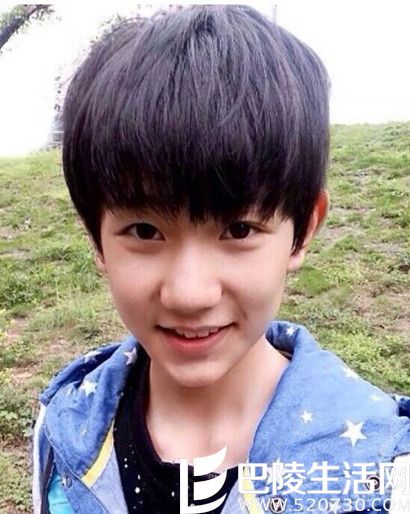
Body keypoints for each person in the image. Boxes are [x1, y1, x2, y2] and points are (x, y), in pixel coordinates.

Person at [31, 5, 410, 514]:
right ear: (96, 239)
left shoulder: (383, 476)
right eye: (145, 231)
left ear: (302, 231)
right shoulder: (64, 434)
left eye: (239, 230)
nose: (189, 294)